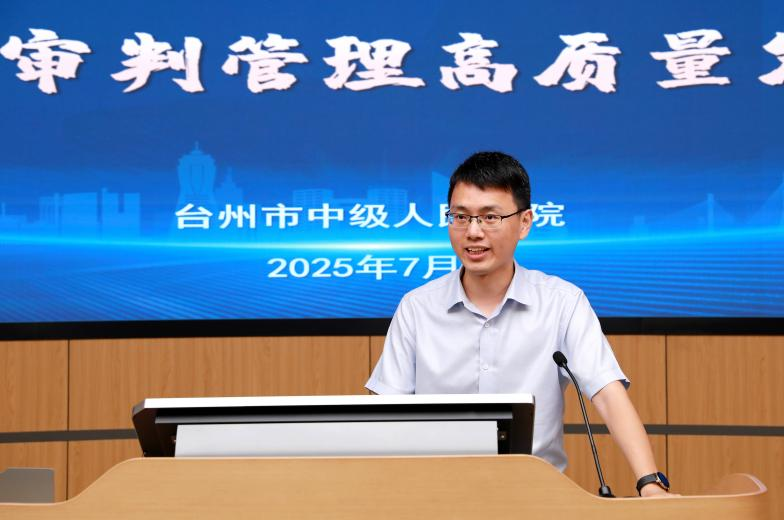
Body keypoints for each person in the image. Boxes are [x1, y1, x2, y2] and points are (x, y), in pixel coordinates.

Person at [366, 151, 670, 497]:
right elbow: (382, 416)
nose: (473, 232)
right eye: (460, 217)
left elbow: (606, 393)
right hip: (435, 498)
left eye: (490, 217)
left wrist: (649, 483)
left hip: (536, 499)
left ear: (525, 222)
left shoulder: (562, 302)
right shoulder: (417, 308)